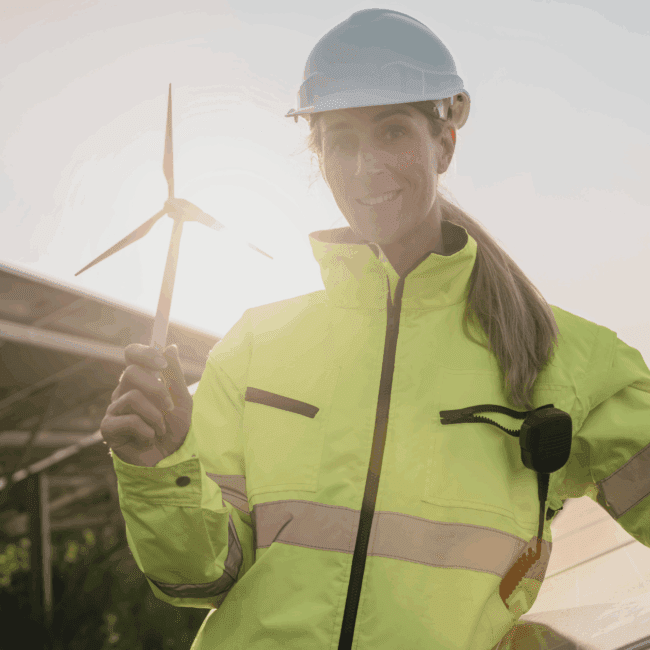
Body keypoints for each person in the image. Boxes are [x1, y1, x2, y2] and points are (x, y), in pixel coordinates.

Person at [100, 9, 650, 650]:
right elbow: (203, 577)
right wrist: (161, 470)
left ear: (445, 142)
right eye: (341, 139)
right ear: (319, 155)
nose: (367, 168)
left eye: (393, 132)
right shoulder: (255, 346)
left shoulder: (567, 360)